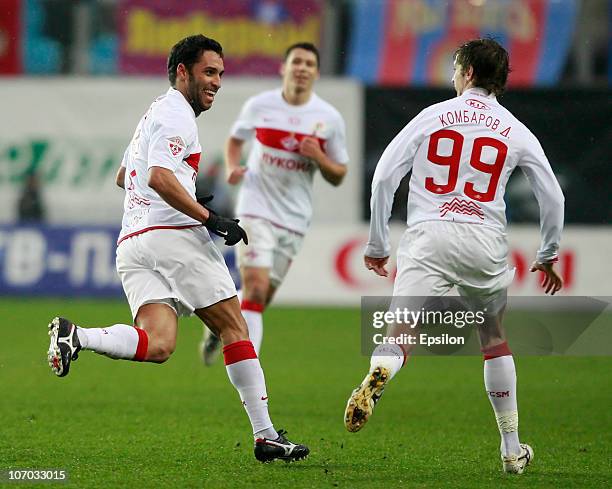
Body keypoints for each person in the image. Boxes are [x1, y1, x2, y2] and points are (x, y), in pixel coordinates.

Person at [46, 34, 309, 463]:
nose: (217, 82)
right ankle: (265, 436)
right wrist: (211, 218)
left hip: (133, 242)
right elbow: (159, 178)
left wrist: (182, 190)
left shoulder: (153, 115)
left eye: (221, 74)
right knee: (234, 328)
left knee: (160, 344)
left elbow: (124, 177)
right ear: (182, 72)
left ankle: (79, 337)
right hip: (173, 237)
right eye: (209, 72)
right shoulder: (177, 114)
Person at [343, 38, 564, 475]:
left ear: (465, 72)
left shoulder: (432, 117)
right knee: (493, 338)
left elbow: (385, 176)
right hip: (483, 240)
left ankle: (380, 373)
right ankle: (510, 450)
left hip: (428, 236)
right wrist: (548, 252)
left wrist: (377, 244)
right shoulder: (515, 129)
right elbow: (552, 196)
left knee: (399, 333)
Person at [200, 42, 349, 363]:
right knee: (254, 290)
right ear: (284, 68)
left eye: (309, 63)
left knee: (261, 297)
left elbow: (339, 174)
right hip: (256, 207)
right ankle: (249, 367)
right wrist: (231, 165)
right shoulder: (261, 105)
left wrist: (319, 157)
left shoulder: (329, 118)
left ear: (316, 72)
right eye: (296, 61)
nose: (302, 67)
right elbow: (236, 138)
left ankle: (219, 323)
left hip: (294, 218)